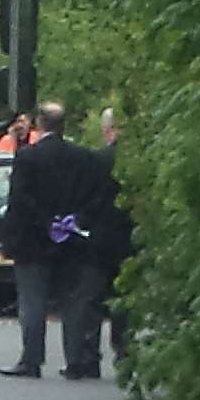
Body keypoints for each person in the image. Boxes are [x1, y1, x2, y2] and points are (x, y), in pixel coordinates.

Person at [0, 101, 103, 378]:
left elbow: (21, 199)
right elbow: (95, 197)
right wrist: (74, 221)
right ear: (63, 125)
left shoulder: (28, 158)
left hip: (33, 240)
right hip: (72, 241)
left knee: (32, 302)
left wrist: (46, 222)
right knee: (73, 302)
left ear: (39, 124)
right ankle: (76, 360)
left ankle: (32, 360)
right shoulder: (84, 158)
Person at [81, 107, 135, 365]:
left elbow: (89, 200)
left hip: (102, 238)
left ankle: (89, 356)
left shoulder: (98, 160)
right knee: (125, 298)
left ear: (107, 130)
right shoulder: (141, 162)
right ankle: (124, 350)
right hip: (132, 238)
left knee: (92, 298)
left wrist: (82, 221)